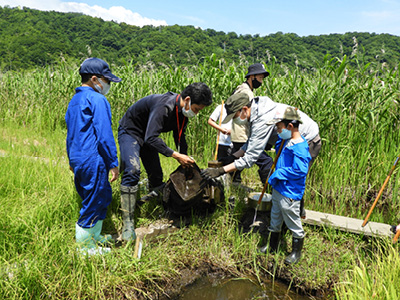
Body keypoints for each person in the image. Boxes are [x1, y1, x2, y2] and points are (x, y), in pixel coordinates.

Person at [118, 82, 212, 241]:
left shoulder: (182, 112)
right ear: (187, 100)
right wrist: (175, 155)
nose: (196, 113)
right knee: (133, 170)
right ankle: (127, 221)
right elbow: (151, 138)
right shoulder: (165, 106)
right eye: (196, 109)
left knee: (156, 176)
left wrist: (185, 158)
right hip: (131, 131)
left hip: (148, 135)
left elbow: (180, 137)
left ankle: (157, 209)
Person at [65, 57, 121, 253]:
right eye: (107, 81)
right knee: (95, 198)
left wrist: (71, 159)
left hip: (78, 157)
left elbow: (70, 133)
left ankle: (94, 235)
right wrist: (113, 162)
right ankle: (85, 248)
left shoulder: (74, 100)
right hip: (92, 156)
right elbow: (104, 133)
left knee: (98, 195)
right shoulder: (97, 99)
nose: (107, 85)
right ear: (95, 79)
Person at [262, 106, 311, 265]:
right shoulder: (286, 140)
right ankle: (272, 245)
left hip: (289, 192)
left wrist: (277, 174)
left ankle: (296, 252)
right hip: (279, 188)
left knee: (291, 219)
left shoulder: (300, 147)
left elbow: (299, 170)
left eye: (279, 127)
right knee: (275, 216)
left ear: (290, 126)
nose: (277, 130)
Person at [229, 63, 269, 183]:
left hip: (238, 134)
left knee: (235, 165)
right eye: (260, 78)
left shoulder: (241, 89)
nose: (261, 82)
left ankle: (231, 186)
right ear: (252, 77)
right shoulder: (247, 93)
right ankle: (268, 188)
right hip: (243, 135)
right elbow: (252, 116)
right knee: (265, 161)